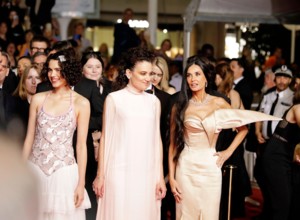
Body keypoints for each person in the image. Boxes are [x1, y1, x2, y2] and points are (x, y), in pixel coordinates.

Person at [168, 55, 280, 220]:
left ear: (206, 77)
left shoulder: (219, 102)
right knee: (186, 214)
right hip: (186, 168)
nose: (193, 79)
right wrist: (171, 178)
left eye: (197, 74)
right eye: (189, 75)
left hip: (211, 166)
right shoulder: (180, 106)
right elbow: (173, 145)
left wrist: (227, 152)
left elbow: (243, 129)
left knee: (210, 213)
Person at [93, 47, 166, 220]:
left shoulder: (154, 102)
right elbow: (105, 138)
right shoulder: (114, 99)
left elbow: (157, 141)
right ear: (128, 73)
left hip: (146, 172)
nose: (148, 78)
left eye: (150, 73)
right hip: (118, 170)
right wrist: (100, 175)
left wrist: (160, 177)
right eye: (143, 73)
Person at [22, 49, 91, 219]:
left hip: (64, 173)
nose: (53, 75)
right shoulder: (38, 99)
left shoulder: (81, 103)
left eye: (58, 70)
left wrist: (81, 183)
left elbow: (81, 146)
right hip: (35, 170)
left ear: (68, 71)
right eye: (50, 70)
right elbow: (29, 137)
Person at [254, 65, 294, 219]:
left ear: (290, 80)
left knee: (278, 181)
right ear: (274, 78)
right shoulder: (268, 95)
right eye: (279, 77)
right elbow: (260, 114)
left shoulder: (293, 97)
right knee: (261, 175)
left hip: (280, 145)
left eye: (285, 77)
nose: (282, 80)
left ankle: (275, 211)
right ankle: (268, 209)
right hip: (264, 142)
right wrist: (257, 132)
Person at [262, 84, 300, 220]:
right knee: (282, 205)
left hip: (287, 154)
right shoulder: (298, 108)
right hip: (276, 155)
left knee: (289, 203)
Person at [13, 65, 42, 140]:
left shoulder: (47, 103)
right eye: (29, 78)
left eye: (37, 78)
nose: (34, 82)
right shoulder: (14, 103)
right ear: (23, 81)